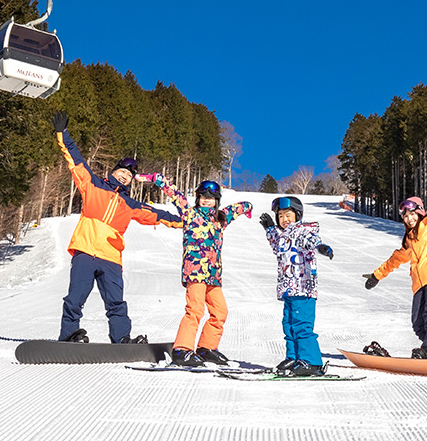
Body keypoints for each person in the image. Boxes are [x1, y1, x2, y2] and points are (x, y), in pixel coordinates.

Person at [52, 110, 181, 344]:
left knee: (116, 302)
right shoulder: (93, 186)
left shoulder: (130, 204)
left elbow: (158, 215)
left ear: (132, 182)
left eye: (129, 176)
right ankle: (69, 335)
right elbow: (75, 160)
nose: (124, 176)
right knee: (75, 297)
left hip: (111, 258)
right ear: (113, 172)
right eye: (121, 171)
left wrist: (189, 222)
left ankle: (122, 339)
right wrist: (63, 134)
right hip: (85, 252)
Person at [362, 167, 427, 359]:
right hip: (420, 285)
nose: (409, 219)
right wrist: (377, 275)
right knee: (418, 324)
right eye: (405, 216)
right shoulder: (409, 240)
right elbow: (395, 259)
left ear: (419, 213)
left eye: (412, 215)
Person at [164, 180, 253, 367]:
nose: (207, 201)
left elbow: (236, 208)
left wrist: (248, 207)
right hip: (195, 272)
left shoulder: (221, 218)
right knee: (195, 310)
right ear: (198, 198)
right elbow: (175, 195)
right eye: (203, 197)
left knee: (220, 311)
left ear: (217, 201)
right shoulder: (189, 214)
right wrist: (156, 178)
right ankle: (182, 349)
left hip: (213, 275)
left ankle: (206, 348)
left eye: (211, 198)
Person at [259, 196, 333, 376]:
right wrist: (270, 229)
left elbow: (312, 240)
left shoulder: (303, 231)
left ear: (297, 214)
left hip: (303, 287)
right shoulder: (284, 236)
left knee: (302, 325)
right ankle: (293, 357)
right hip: (288, 289)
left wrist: (321, 247)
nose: (284, 219)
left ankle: (311, 361)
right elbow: (277, 247)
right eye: (280, 216)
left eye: (288, 215)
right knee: (289, 324)